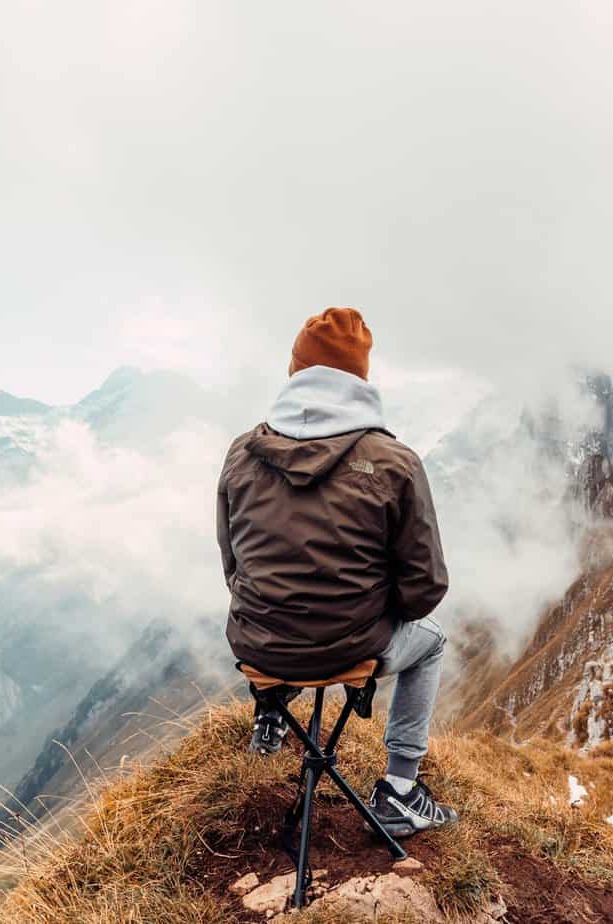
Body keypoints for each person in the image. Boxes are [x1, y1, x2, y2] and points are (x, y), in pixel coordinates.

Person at [216, 307, 457, 837]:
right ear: (360, 379)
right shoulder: (395, 463)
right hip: (353, 648)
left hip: (258, 647)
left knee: (273, 600)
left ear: (295, 372)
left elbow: (233, 565)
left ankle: (271, 706)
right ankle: (399, 790)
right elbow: (426, 590)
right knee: (432, 642)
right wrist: (365, 602)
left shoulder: (241, 453)